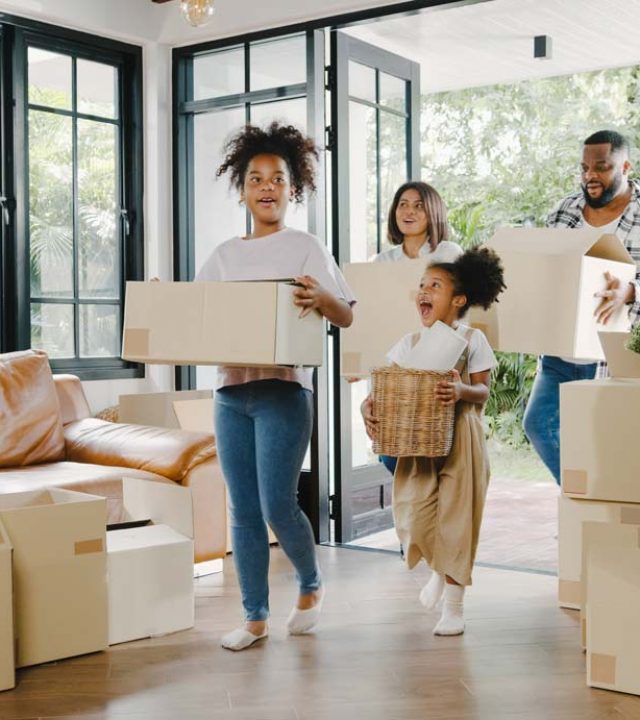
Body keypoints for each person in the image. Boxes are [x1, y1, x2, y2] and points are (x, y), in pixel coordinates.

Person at [196, 122, 355, 651]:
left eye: (278, 179)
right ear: (242, 189)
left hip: (284, 392)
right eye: (256, 179)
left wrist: (321, 300)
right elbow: (194, 317)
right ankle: (255, 617)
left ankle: (310, 584)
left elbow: (345, 315)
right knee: (241, 508)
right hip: (229, 394)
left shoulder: (306, 246)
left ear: (294, 188)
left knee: (277, 506)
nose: (267, 187)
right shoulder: (222, 256)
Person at [361, 247, 506, 636]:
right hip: (418, 441)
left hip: (462, 437)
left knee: (458, 519)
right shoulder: (408, 343)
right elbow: (385, 386)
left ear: (458, 300)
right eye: (421, 285)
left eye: (435, 286)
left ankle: (454, 606)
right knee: (412, 512)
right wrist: (367, 404)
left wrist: (461, 390)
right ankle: (439, 570)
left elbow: (483, 392)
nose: (423, 291)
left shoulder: (471, 339)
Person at [523, 130, 640, 485]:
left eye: (601, 167)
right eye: (584, 167)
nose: (590, 175)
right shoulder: (564, 210)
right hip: (562, 352)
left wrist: (631, 291)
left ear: (625, 165)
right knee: (538, 425)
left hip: (616, 354)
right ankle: (582, 500)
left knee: (608, 443)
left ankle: (608, 511)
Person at [373, 181, 463, 476]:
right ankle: (412, 518)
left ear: (433, 212)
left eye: (418, 205)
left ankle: (427, 518)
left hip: (439, 364)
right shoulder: (383, 261)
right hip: (398, 367)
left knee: (432, 451)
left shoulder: (448, 252)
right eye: (402, 204)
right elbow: (372, 317)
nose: (408, 211)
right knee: (389, 452)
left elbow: (464, 309)